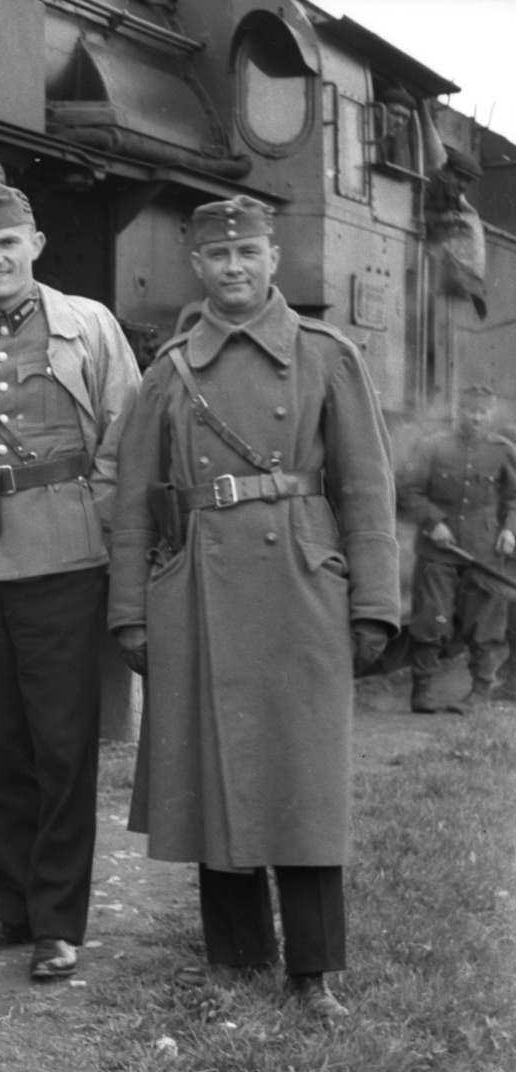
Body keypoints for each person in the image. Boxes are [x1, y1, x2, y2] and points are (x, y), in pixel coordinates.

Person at [108, 196, 399, 1022]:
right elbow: (132, 502)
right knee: (217, 765)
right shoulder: (168, 373)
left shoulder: (326, 357)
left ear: (275, 258)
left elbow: (366, 489)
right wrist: (130, 610)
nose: (234, 269)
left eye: (249, 254)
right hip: (201, 584)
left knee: (302, 777)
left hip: (303, 582)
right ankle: (234, 955)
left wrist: (374, 602)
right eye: (217, 257)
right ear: (196, 267)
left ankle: (313, 969)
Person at [0, 181, 141, 981]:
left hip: (65, 553)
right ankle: (12, 905)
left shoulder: (89, 325)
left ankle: (57, 919)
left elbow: (128, 432)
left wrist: (104, 525)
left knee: (60, 743)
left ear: (35, 245)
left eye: (7, 243)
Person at [397, 385, 516, 713]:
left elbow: (514, 498)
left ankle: (479, 692)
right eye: (469, 411)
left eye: (482, 412)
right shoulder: (432, 447)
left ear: (490, 414)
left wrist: (510, 529)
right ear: (458, 411)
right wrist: (433, 521)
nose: (475, 418)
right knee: (430, 617)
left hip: (485, 551)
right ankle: (422, 690)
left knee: (485, 624)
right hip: (438, 553)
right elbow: (408, 491)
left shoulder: (503, 451)